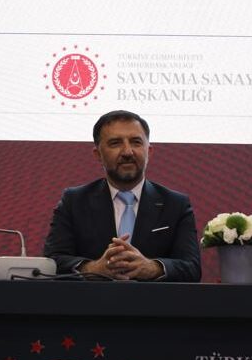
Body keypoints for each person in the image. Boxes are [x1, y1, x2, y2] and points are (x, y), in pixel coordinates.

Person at [44, 110, 201, 282]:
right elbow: (51, 261)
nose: (127, 152)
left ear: (149, 151)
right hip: (92, 299)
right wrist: (93, 269)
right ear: (98, 154)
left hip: (153, 299)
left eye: (136, 142)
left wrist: (152, 268)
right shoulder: (74, 201)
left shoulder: (176, 204)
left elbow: (192, 268)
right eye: (115, 143)